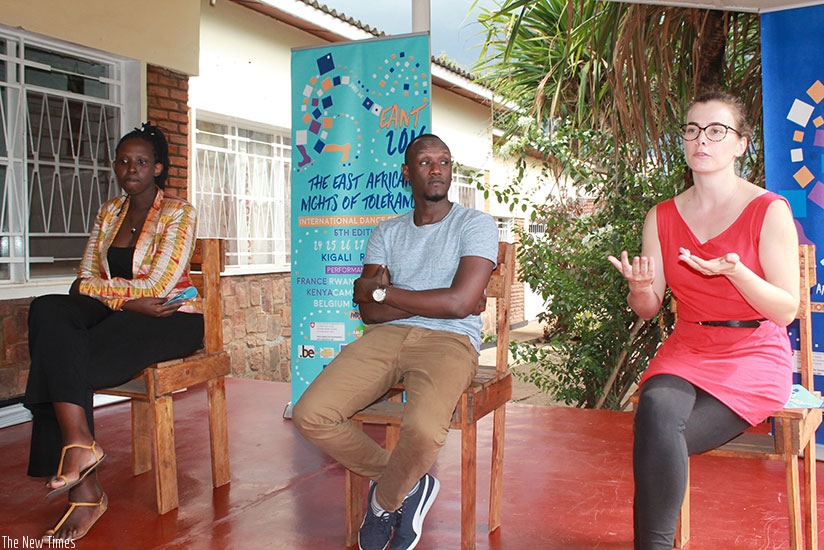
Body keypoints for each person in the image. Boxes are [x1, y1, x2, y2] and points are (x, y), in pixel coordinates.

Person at [608, 91, 800, 550]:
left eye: (717, 131)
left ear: (741, 144)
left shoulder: (769, 210)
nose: (702, 140)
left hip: (754, 352)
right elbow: (650, 307)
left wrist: (737, 272)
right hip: (689, 347)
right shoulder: (662, 216)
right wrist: (639, 287)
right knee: (656, 409)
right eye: (692, 130)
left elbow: (785, 309)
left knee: (657, 438)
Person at [293, 134, 499, 550]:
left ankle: (386, 499)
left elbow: (458, 305)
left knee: (423, 431)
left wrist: (386, 292)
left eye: (444, 161)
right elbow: (369, 312)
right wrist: (436, 300)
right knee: (311, 413)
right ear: (407, 173)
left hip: (451, 341)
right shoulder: (386, 232)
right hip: (385, 337)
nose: (437, 168)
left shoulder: (475, 224)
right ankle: (410, 483)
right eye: (425, 161)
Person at [24, 123, 204, 542]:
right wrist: (122, 300)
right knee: (48, 310)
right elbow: (81, 278)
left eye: (141, 161)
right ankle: (81, 451)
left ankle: (84, 486)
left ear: (157, 167)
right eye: (123, 161)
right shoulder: (109, 212)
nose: (130, 169)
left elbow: (159, 288)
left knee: (62, 355)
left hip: (170, 317)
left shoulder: (179, 212)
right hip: (124, 312)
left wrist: (109, 296)